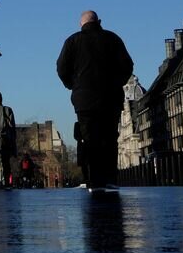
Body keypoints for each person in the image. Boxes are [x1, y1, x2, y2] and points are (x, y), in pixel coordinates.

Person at [56, 11, 134, 192]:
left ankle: (94, 180)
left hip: (84, 99)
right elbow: (128, 65)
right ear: (99, 22)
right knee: (110, 137)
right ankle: (110, 179)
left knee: (90, 138)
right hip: (110, 96)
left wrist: (73, 85)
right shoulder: (113, 39)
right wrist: (117, 82)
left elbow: (61, 68)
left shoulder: (72, 41)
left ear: (81, 25)